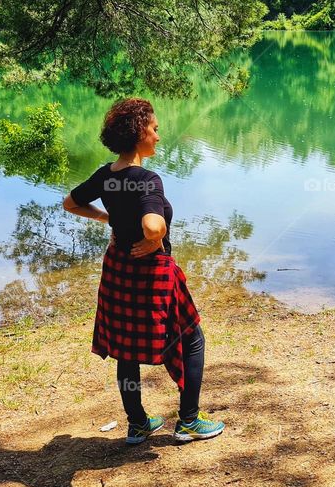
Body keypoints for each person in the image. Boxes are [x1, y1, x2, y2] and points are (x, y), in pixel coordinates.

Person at [63, 98, 224, 444]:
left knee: (124, 346)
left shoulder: (107, 176)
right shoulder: (147, 180)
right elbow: (152, 226)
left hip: (119, 267)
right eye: (154, 129)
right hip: (152, 273)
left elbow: (71, 202)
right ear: (139, 134)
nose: (158, 136)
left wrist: (108, 218)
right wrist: (155, 237)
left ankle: (138, 424)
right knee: (192, 338)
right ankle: (189, 421)